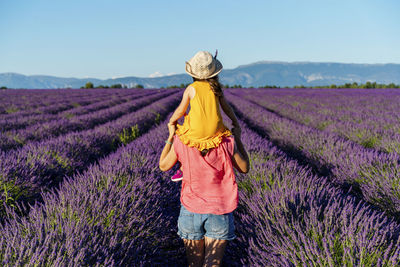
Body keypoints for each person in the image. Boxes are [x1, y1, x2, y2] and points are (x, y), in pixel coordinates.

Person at [159, 121, 249, 266]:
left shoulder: (182, 141)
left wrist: (171, 136)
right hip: (219, 211)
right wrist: (237, 138)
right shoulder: (227, 141)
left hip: (191, 209)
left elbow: (163, 165)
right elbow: (244, 168)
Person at [168, 50, 240, 182]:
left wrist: (172, 121)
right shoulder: (216, 88)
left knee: (183, 133)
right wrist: (235, 122)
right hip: (215, 129)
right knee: (217, 140)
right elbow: (227, 109)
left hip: (196, 130)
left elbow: (180, 110)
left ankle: (183, 168)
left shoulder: (191, 88)